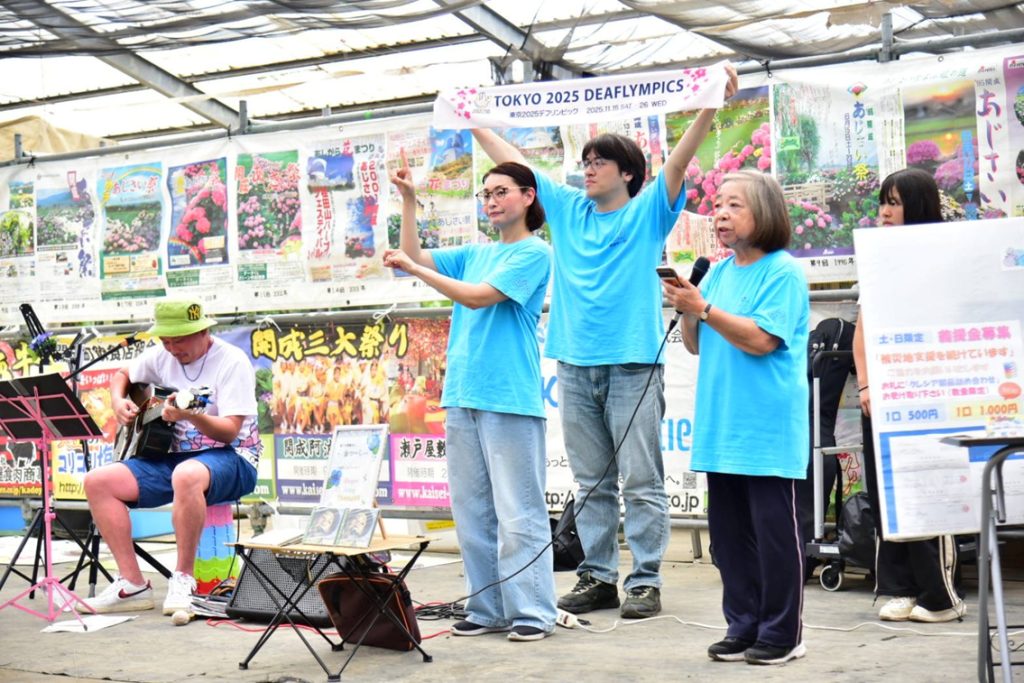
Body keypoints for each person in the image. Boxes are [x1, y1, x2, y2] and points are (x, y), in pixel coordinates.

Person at [471, 62, 739, 619]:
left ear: (628, 173)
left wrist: (710, 104)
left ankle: (645, 580)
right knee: (591, 481)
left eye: (600, 163)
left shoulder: (648, 212)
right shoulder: (569, 210)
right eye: (586, 161)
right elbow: (513, 160)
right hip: (574, 364)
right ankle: (597, 576)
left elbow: (679, 159)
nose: (588, 170)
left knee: (641, 479)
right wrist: (470, 120)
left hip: (633, 365)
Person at [385, 155, 556, 641]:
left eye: (502, 192)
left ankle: (532, 611)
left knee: (518, 511)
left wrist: (415, 271)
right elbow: (414, 255)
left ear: (528, 197)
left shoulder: (534, 252)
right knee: (472, 511)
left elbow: (477, 297)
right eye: (486, 194)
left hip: (509, 397)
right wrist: (409, 201)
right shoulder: (476, 252)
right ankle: (487, 608)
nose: (492, 201)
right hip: (462, 394)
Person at [663, 170, 810, 665]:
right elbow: (694, 344)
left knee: (774, 539)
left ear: (763, 212)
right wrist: (689, 307)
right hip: (721, 427)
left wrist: (703, 308)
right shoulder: (719, 272)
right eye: (717, 206)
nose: (721, 215)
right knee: (729, 541)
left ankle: (783, 633)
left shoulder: (782, 272)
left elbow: (762, 339)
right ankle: (742, 625)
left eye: (734, 206)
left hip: (766, 429)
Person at [80, 299, 260, 616]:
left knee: (186, 474)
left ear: (203, 332)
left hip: (234, 456)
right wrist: (117, 400)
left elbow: (230, 431)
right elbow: (123, 373)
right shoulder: (162, 356)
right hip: (172, 458)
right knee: (98, 482)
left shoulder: (232, 361)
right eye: (166, 341)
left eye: (180, 340)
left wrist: (190, 416)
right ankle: (132, 583)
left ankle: (183, 579)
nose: (173, 349)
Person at [853, 167, 965, 623]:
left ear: (918, 207)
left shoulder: (942, 260)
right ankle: (899, 589)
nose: (884, 211)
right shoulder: (877, 261)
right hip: (883, 394)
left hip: (926, 392)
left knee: (926, 488)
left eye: (894, 203)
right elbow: (862, 332)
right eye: (883, 201)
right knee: (886, 492)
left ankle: (940, 595)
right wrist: (865, 385)